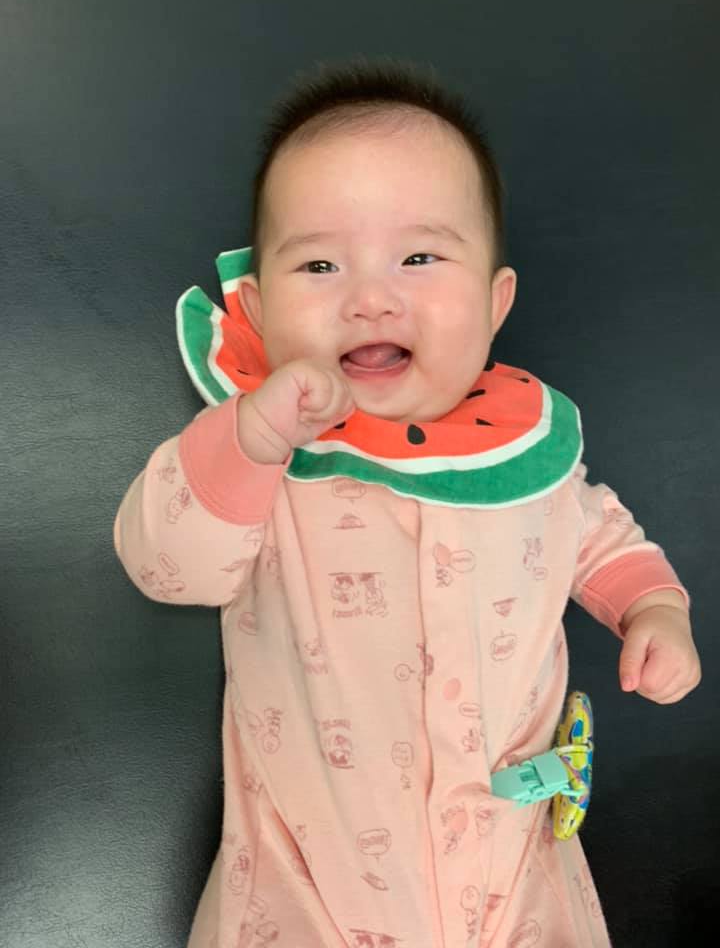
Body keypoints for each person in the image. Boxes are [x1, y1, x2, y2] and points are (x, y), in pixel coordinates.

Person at [113, 57, 701, 947]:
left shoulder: (523, 455)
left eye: (419, 257)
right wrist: (251, 439)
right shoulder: (271, 454)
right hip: (306, 886)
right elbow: (167, 565)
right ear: (260, 311)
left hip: (516, 873)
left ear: (495, 302)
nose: (370, 298)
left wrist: (655, 609)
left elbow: (598, 535)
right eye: (320, 264)